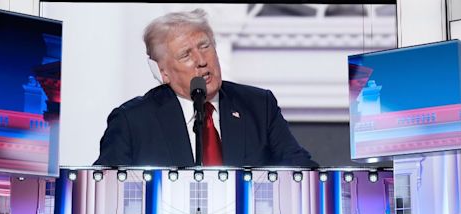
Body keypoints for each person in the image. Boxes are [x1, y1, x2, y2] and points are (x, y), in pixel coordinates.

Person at [94, 9, 317, 168]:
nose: (201, 60)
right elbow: (105, 190)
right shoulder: (132, 121)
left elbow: (300, 167)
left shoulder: (259, 105)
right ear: (164, 73)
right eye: (185, 55)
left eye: (204, 46)